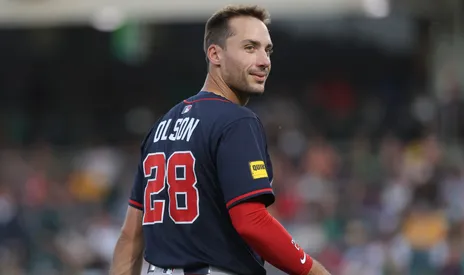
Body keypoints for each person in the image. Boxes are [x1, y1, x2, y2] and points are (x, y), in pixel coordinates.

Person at [110, 4, 331, 275]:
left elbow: (130, 237)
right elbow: (251, 220)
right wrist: (315, 271)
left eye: (267, 49)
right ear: (215, 54)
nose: (264, 60)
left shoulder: (161, 125)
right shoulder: (236, 121)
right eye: (250, 48)